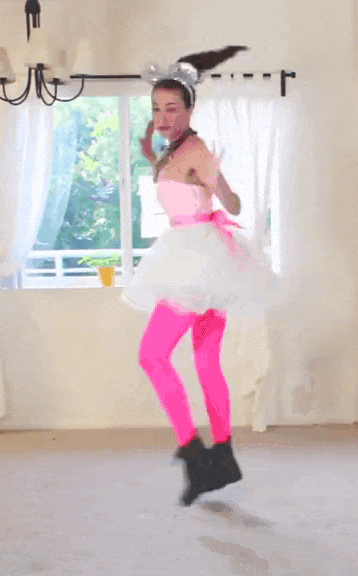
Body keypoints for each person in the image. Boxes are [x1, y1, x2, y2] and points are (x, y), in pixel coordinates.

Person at [123, 45, 273, 506]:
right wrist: (151, 150)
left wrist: (218, 183)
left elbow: (233, 205)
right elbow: (175, 181)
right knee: (206, 362)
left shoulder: (197, 150)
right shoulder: (174, 150)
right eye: (156, 108)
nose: (163, 116)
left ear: (189, 110)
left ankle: (193, 454)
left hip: (196, 258)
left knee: (153, 355)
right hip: (199, 256)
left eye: (172, 108)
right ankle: (222, 456)